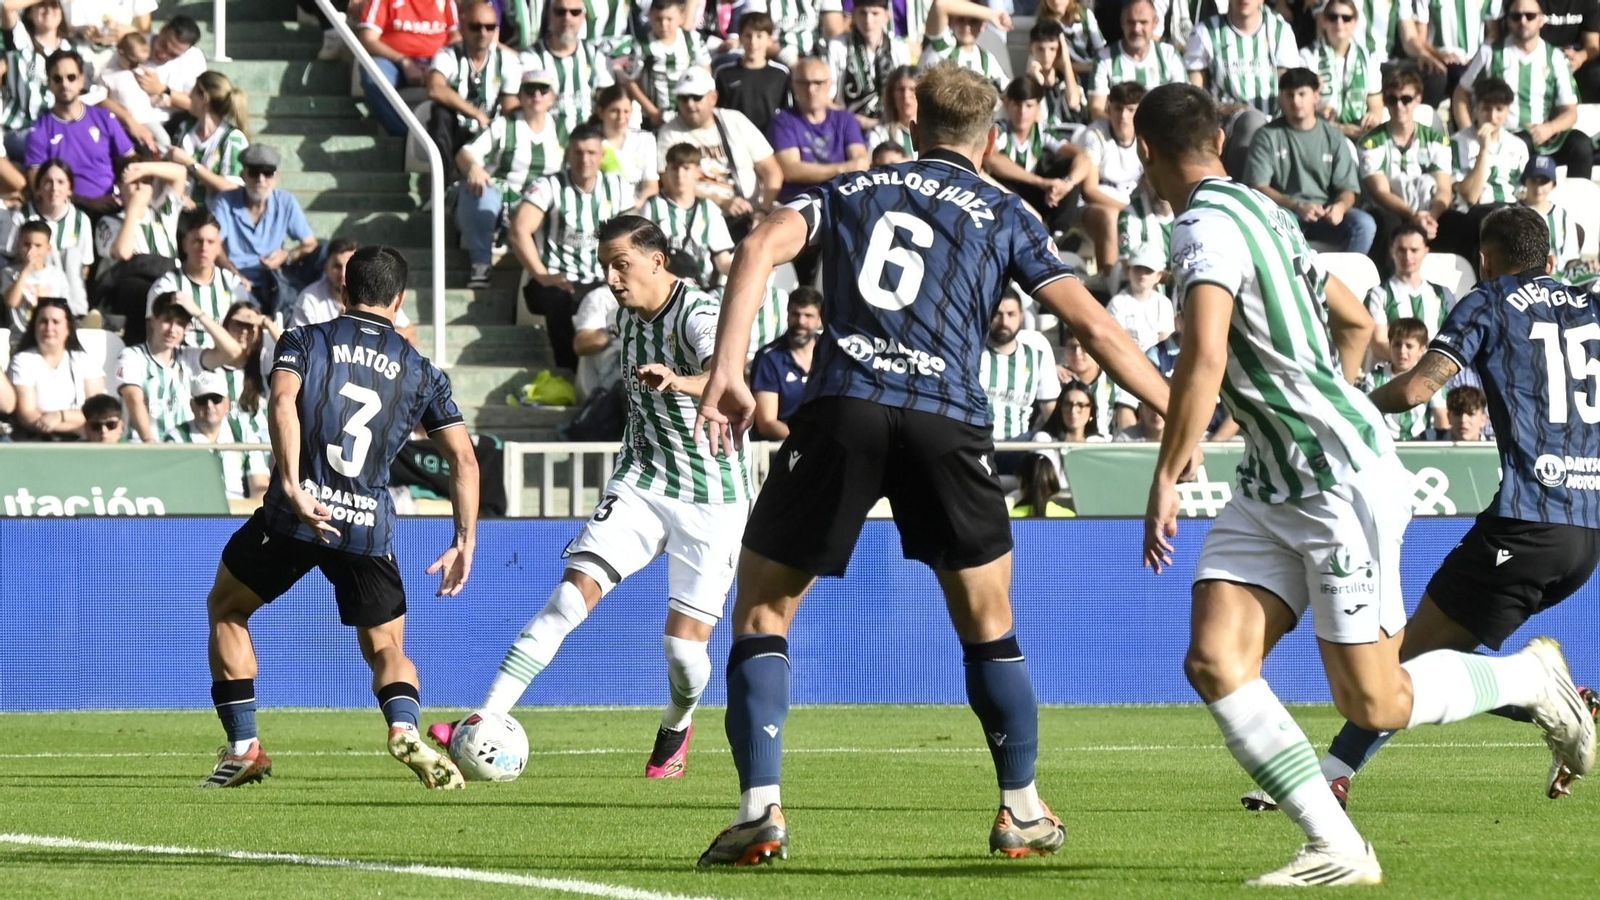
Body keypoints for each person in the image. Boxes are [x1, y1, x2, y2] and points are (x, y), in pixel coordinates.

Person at [690, 63, 1171, 866]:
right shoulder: (1005, 212)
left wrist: (728, 369)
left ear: (913, 127)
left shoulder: (851, 190)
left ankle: (761, 809)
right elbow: (1096, 328)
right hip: (947, 417)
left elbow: (762, 242)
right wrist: (1175, 411)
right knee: (988, 622)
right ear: (989, 142)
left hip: (843, 404)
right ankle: (1019, 807)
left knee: (764, 612)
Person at [1136, 81, 1589, 887]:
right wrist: (1330, 398)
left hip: (1335, 480)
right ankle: (1336, 846)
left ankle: (1528, 678)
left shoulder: (1203, 227)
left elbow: (1205, 358)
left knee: (1375, 702)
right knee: (1214, 661)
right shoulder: (1263, 213)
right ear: (1220, 142)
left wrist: (1170, 473)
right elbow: (1357, 322)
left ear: (1144, 153)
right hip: (1277, 476)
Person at [1248, 205, 1600, 813]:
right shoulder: (1591, 306)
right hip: (1587, 533)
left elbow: (1415, 389)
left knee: (1405, 662)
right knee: (1425, 659)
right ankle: (1334, 774)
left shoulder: (1488, 302)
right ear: (1547, 260)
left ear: (1485, 262)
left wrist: (1350, 405)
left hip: (1528, 520)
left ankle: (1551, 694)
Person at [426, 215, 748, 781]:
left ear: (657, 260)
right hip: (643, 480)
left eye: (621, 264)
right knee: (568, 600)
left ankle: (678, 724)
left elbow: (729, 374)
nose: (612, 277)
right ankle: (487, 714)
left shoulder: (696, 314)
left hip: (712, 494)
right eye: (605, 266)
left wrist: (680, 381)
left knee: (682, 651)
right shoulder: (622, 312)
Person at [198, 245, 479, 790]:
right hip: (367, 525)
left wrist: (290, 483)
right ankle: (402, 727)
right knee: (387, 648)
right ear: (399, 302)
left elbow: (282, 403)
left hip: (296, 514)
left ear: (344, 290)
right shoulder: (422, 371)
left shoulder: (305, 339)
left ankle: (244, 747)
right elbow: (464, 459)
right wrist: (464, 539)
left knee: (227, 608)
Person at [511, 123, 636, 371]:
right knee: (557, 299)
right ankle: (566, 371)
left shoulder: (618, 187)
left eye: (591, 153)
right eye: (578, 152)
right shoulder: (549, 186)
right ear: (568, 154)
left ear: (602, 156)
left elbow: (633, 237)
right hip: (558, 279)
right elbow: (518, 230)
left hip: (602, 279)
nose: (585, 159)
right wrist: (542, 275)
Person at [1455, 0, 1593, 178]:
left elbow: (1570, 112)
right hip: (1506, 136)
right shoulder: (1490, 53)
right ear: (1508, 20)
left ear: (1542, 20)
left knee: (1581, 145)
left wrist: (1549, 128)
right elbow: (1461, 93)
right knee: (1522, 143)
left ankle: (1577, 202)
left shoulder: (1555, 58)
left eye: (1530, 16)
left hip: (1545, 136)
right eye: (1516, 16)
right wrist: (1469, 131)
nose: (1523, 21)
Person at [455, 68, 566, 290]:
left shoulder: (564, 129)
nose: (536, 96)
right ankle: (480, 263)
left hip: (544, 203)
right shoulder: (504, 125)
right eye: (529, 90)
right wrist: (475, 168)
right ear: (521, 95)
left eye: (543, 90)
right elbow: (465, 153)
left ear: (553, 97)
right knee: (479, 189)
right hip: (503, 198)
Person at [1246, 67, 1374, 254]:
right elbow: (1258, 186)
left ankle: (1347, 280)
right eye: (1289, 95)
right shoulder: (1266, 136)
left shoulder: (1334, 137)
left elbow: (1348, 189)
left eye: (1302, 94)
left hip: (1324, 215)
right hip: (1284, 214)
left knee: (1364, 224)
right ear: (1281, 98)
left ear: (1315, 96)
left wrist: (1339, 207)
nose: (1295, 101)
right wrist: (1296, 206)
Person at [655, 68, 783, 241]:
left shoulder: (735, 120)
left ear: (713, 98)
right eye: (683, 98)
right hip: (703, 220)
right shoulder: (670, 132)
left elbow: (772, 171)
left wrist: (763, 210)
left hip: (752, 213)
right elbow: (668, 183)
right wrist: (721, 201)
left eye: (696, 97)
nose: (690, 104)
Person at [1183, 0, 1301, 177]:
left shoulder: (1279, 30)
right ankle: (1239, 192)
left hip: (1274, 121)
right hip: (1225, 120)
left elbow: (1290, 86)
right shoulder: (1205, 32)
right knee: (1252, 123)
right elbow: (1194, 93)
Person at [117, 291, 246, 443]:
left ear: (186, 329)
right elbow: (133, 399)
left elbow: (233, 351)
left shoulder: (189, 356)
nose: (172, 329)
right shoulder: (132, 356)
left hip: (184, 448)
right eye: (167, 321)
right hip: (144, 447)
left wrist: (198, 313)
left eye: (180, 323)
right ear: (152, 321)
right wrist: (149, 441)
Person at [209, 144, 322, 313]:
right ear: (243, 175)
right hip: (235, 278)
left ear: (276, 177)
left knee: (325, 250)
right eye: (254, 172)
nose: (261, 179)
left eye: (267, 173)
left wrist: (287, 255)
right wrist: (234, 275)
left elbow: (310, 243)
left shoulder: (285, 202)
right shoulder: (225, 202)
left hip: (274, 279)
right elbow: (213, 244)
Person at [1359, 67, 1454, 261]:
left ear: (1418, 99)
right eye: (1393, 100)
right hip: (1391, 210)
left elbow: (1444, 189)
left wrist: (1431, 217)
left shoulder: (1436, 139)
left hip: (1428, 210)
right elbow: (1380, 193)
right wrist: (1413, 216)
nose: (1399, 106)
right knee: (1388, 223)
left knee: (1459, 224)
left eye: (1406, 99)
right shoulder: (1370, 142)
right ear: (1385, 102)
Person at [25, 49, 135, 211]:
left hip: (113, 205)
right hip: (67, 211)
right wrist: (87, 202)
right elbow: (38, 186)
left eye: (71, 77)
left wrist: (125, 193)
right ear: (49, 84)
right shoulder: (39, 130)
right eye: (57, 79)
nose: (65, 84)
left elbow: (131, 162)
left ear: (81, 81)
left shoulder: (104, 118)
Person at [1442, 77, 1527, 273]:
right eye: (1486, 108)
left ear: (1507, 112)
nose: (1492, 116)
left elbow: (1522, 191)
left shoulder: (1518, 146)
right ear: (1475, 109)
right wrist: (1484, 150)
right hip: (1473, 215)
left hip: (1509, 211)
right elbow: (1470, 195)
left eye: (1499, 109)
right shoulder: (1456, 143)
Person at [426, 0, 519, 172]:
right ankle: (442, 185)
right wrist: (476, 113)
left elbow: (509, 105)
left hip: (488, 132)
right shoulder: (448, 55)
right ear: (462, 28)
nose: (483, 33)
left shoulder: (507, 60)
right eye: (475, 27)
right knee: (440, 114)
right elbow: (434, 88)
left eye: (490, 27)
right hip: (456, 132)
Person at [146, 208, 252, 349]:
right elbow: (154, 339)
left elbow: (244, 340)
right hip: (182, 364)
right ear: (185, 245)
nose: (204, 248)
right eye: (197, 241)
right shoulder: (166, 286)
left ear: (219, 247)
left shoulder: (233, 285)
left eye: (210, 242)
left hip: (224, 363)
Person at [639, 142, 734, 291]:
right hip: (663, 290)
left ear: (698, 171)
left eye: (686, 168)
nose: (680, 175)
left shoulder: (709, 209)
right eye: (674, 168)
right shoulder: (652, 206)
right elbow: (643, 255)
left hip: (703, 289)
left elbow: (723, 261)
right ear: (666, 171)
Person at [357, 0, 460, 137]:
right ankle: (406, 136)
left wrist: (436, 64)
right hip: (393, 62)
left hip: (436, 61)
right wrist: (404, 61)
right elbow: (368, 39)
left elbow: (457, 36)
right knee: (373, 78)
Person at [6, 297, 103, 439]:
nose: (49, 328)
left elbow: (97, 412)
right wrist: (78, 427)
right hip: (36, 438)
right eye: (43, 321)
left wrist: (59, 416)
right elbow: (26, 414)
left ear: (68, 328)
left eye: (56, 322)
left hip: (83, 439)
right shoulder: (22, 361)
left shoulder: (85, 360)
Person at [5, 161, 92, 318]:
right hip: (29, 276)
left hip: (65, 282)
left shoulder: (81, 220)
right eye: (47, 182)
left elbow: (85, 267)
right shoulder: (22, 215)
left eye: (60, 182)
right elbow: (11, 254)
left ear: (70, 188)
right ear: (38, 188)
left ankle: (78, 314)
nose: (54, 188)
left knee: (71, 254)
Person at [1075, 80, 1145, 273]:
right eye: (1118, 109)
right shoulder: (1095, 134)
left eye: (1131, 110)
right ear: (1109, 108)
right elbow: (1089, 190)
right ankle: (1109, 281)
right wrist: (1128, 209)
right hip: (1095, 208)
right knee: (1110, 216)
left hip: (1132, 202)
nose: (1123, 116)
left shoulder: (1146, 136)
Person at [517, 0, 614, 135]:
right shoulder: (532, 57)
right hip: (548, 144)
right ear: (550, 15)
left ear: (583, 18)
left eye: (575, 12)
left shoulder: (595, 54)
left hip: (587, 145)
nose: (567, 18)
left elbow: (609, 101)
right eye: (560, 12)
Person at [171, 369, 271, 500]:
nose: (209, 405)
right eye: (202, 399)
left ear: (227, 403)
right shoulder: (177, 438)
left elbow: (259, 487)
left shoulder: (243, 432)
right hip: (196, 517)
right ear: (192, 405)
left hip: (239, 514)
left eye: (216, 399)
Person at [1365, 223, 1457, 359]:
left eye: (1414, 250)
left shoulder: (1442, 293)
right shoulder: (1378, 294)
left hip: (1434, 372)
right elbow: (1379, 343)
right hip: (1394, 374)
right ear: (1392, 251)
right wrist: (1411, 365)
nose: (1407, 256)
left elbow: (1452, 338)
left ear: (1425, 251)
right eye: (1401, 250)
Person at [979, 294, 1061, 445]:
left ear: (1021, 317)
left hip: (1018, 445)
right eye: (998, 314)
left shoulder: (1037, 356)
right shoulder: (973, 355)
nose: (1004, 322)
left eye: (1011, 314)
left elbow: (1050, 410)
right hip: (977, 443)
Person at [1089, 0, 1185, 121]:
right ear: (1122, 23)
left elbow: (1184, 102)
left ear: (1155, 23)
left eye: (1143, 22)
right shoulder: (1104, 59)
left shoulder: (1169, 55)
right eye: (1131, 22)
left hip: (1160, 134)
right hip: (1118, 135)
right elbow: (1096, 110)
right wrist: (1126, 128)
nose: (1136, 29)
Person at [1300, 0, 1382, 141]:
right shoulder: (1307, 57)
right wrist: (1339, 128)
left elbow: (1376, 104)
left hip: (1360, 131)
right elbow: (1301, 109)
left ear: (1355, 23)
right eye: (1333, 17)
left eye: (1346, 18)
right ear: (1324, 21)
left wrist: (1373, 117)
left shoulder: (1368, 58)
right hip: (1321, 134)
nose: (1339, 23)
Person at [169, 71, 252, 207]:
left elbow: (232, 188)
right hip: (180, 211)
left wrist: (192, 164)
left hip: (214, 218)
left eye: (194, 91)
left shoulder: (232, 138)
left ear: (204, 98)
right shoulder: (184, 129)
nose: (189, 95)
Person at [749, 286, 820, 441]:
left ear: (819, 320)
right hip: (782, 446)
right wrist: (807, 442)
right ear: (787, 316)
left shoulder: (830, 352)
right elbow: (767, 424)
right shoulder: (769, 358)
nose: (801, 321)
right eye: (795, 314)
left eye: (808, 315)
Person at [1400, 0, 1503, 107]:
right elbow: (1420, 39)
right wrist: (1441, 56)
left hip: (1474, 62)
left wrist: (1477, 60)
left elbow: (1493, 35)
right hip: (1438, 61)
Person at [827, 0, 910, 130]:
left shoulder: (899, 48)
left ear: (887, 16)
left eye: (875, 13)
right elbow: (827, 100)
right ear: (853, 15)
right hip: (848, 125)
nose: (868, 20)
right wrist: (853, 120)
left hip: (891, 125)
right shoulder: (838, 46)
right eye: (863, 13)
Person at [1363, 316, 1448, 439]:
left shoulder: (1430, 378)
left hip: (1420, 444)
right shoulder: (1373, 378)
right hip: (1385, 444)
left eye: (1409, 346)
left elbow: (1441, 418)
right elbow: (1366, 416)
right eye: (1397, 345)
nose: (1402, 351)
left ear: (1422, 349)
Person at [631, 0, 709, 128]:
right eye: (658, 19)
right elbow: (633, 82)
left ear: (681, 16)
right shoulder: (641, 46)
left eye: (669, 19)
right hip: (656, 118)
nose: (663, 24)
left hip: (689, 113)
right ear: (650, 17)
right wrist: (652, 112)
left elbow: (706, 73)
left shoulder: (693, 40)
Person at [715, 11, 789, 136]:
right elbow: (717, 111)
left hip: (769, 141)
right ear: (741, 38)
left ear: (770, 39)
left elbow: (786, 113)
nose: (753, 42)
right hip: (735, 139)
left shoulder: (781, 74)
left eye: (759, 36)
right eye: (748, 36)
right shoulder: (724, 73)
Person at [594, 84, 660, 204]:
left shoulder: (645, 140)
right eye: (614, 111)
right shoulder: (592, 143)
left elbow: (651, 186)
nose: (621, 117)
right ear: (601, 112)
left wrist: (636, 204)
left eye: (626, 111)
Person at [3, 220, 70, 334]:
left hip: (48, 334)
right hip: (19, 335)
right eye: (26, 244)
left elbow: (63, 308)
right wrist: (26, 270)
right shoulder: (8, 273)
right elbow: (11, 302)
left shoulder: (57, 275)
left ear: (48, 249)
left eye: (38, 246)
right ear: (18, 245)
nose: (31, 250)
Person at [1106, 242, 1173, 351]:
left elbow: (1166, 342)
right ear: (1128, 271)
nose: (1142, 274)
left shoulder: (1164, 304)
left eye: (1148, 270)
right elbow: (1114, 340)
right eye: (1138, 268)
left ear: (1158, 276)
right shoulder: (1117, 303)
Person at [1519, 154, 1580, 270]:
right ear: (1524, 181)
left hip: (1558, 280)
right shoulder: (1509, 214)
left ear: (1553, 184)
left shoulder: (1562, 216)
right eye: (1533, 181)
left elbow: (1571, 258)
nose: (1538, 188)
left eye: (1544, 182)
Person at [863, 64, 917, 158]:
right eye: (901, 90)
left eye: (912, 89)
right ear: (892, 95)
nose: (906, 96)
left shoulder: (931, 133)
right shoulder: (879, 134)